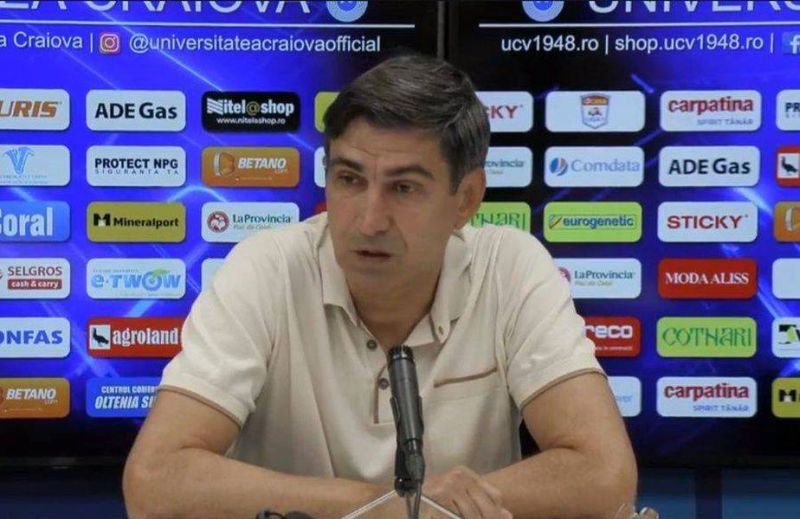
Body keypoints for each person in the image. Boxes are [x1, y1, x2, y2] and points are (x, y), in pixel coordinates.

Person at [123, 53, 637, 519]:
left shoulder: (509, 267)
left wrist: (417, 507)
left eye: (404, 188)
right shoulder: (267, 268)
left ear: (466, 199)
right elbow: (155, 481)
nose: (369, 221)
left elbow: (604, 475)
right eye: (349, 180)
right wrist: (392, 507)